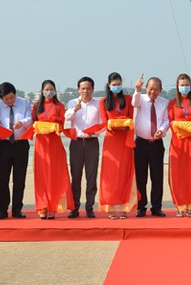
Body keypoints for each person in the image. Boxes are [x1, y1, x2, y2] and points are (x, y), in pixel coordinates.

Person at [31, 80, 73, 219]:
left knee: (55, 176)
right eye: (46, 89)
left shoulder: (60, 106)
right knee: (42, 177)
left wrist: (52, 126)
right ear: (42, 91)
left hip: (55, 145)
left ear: (55, 91)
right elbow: (33, 124)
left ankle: (53, 207)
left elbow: (61, 125)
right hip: (41, 146)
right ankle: (43, 206)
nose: (49, 92)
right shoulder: (37, 106)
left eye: (51, 89)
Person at [98, 72, 138, 219]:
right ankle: (110, 208)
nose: (116, 87)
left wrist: (124, 123)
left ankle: (124, 208)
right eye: (114, 85)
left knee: (125, 173)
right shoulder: (103, 102)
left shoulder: (128, 99)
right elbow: (105, 123)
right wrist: (118, 123)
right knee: (110, 175)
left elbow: (131, 119)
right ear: (109, 85)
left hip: (125, 141)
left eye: (119, 84)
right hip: (111, 142)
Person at [167, 73, 191, 217]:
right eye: (182, 85)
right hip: (177, 144)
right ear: (177, 87)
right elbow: (170, 122)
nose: (184, 87)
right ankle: (179, 205)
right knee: (177, 176)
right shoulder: (172, 103)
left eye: (187, 85)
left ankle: (190, 205)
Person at [132, 76, 169, 218]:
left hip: (156, 144)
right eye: (150, 88)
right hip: (140, 143)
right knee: (141, 177)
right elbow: (134, 103)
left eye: (156, 89)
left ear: (160, 90)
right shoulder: (140, 98)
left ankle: (156, 206)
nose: (153, 91)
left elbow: (166, 120)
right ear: (146, 88)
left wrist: (162, 130)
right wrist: (137, 89)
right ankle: (141, 206)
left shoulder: (164, 103)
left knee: (157, 176)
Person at [65, 76, 102, 218]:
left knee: (91, 176)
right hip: (77, 143)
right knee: (76, 176)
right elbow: (67, 118)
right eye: (83, 88)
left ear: (93, 89)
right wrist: (75, 109)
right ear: (78, 89)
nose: (85, 91)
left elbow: (102, 123)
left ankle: (89, 207)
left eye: (88, 88)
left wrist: (96, 132)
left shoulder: (98, 105)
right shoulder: (72, 102)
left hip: (92, 142)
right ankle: (74, 207)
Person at [0, 82, 33, 219]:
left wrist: (22, 122)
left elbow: (31, 118)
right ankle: (2, 209)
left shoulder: (24, 103)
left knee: (19, 178)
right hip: (4, 144)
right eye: (6, 99)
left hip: (21, 144)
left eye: (11, 98)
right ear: (2, 99)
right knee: (3, 178)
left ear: (15, 94)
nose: (9, 101)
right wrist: (0, 132)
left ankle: (17, 209)